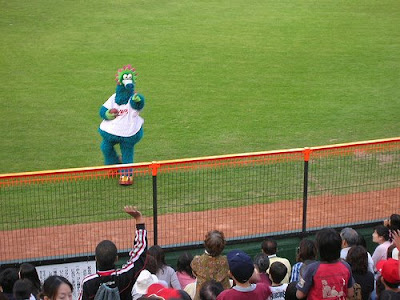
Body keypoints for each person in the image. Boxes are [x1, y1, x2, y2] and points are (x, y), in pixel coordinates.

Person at [78, 205, 147, 300]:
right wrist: (139, 220)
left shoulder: (88, 282)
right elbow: (140, 252)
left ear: (96, 259)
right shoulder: (124, 276)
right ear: (116, 259)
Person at [98, 65, 145, 185]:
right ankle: (114, 166)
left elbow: (138, 104)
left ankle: (127, 175)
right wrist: (108, 114)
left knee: (127, 153)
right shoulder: (114, 98)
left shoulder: (132, 100)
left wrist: (138, 99)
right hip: (112, 131)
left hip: (128, 132)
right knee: (105, 147)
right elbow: (102, 110)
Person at [296, 228, 354, 299]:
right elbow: (350, 293)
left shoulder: (312, 268)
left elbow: (299, 294)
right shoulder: (346, 266)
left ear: (318, 249)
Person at [191, 230, 231, 300]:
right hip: (224, 297)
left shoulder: (197, 260)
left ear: (205, 244)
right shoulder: (225, 261)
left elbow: (194, 272)